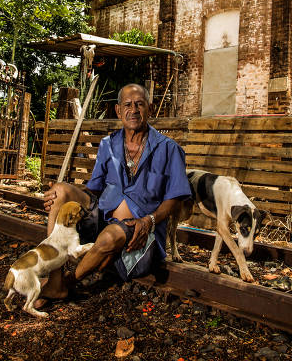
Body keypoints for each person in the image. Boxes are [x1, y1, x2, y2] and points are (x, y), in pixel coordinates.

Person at [37, 83, 191, 306]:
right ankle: (55, 278)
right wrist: (61, 195)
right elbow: (94, 189)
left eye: (139, 104)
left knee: (109, 236)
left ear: (150, 108)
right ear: (118, 111)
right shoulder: (108, 144)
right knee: (60, 190)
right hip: (102, 218)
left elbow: (175, 200)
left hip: (137, 230)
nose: (133, 109)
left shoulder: (169, 149)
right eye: (127, 104)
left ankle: (66, 284)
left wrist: (149, 220)